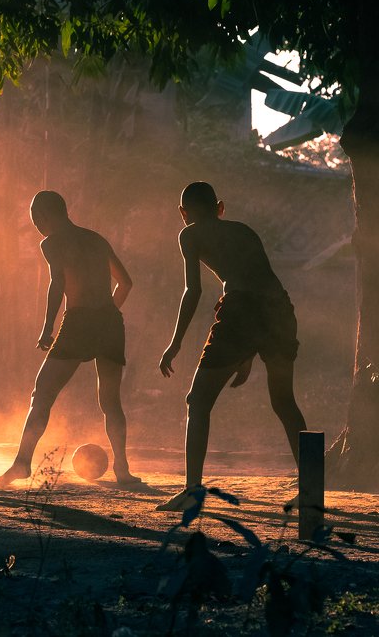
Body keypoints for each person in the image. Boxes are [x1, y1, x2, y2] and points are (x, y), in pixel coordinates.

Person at [157, 181, 307, 511]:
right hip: (281, 310)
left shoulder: (190, 234)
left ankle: (192, 491)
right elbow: (262, 289)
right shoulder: (244, 230)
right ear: (220, 207)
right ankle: (312, 491)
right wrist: (246, 353)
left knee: (197, 400)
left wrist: (175, 343)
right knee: (285, 401)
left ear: (183, 213)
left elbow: (193, 291)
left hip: (241, 311)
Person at [0, 190, 139, 488]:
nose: (35, 224)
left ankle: (21, 464)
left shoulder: (51, 243)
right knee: (111, 401)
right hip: (110, 322)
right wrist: (107, 313)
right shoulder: (96, 239)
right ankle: (122, 470)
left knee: (42, 393)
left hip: (79, 322)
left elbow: (57, 284)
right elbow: (126, 283)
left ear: (44, 216)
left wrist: (48, 327)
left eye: (35, 218)